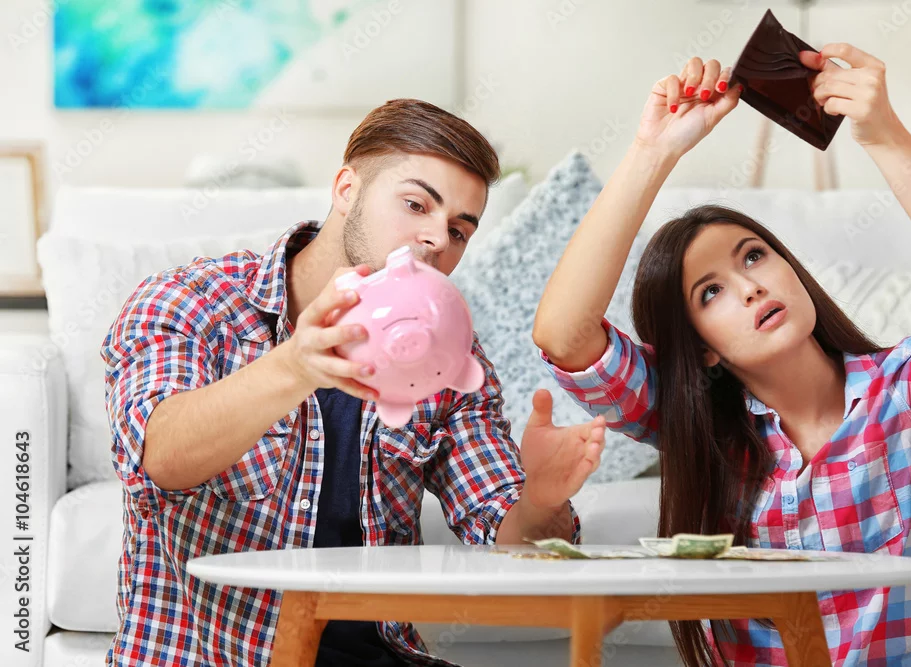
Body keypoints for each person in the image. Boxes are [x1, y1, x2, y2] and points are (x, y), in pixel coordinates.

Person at [533, 46, 911, 666]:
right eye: (711, 292)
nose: (750, 286)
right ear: (702, 350)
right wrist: (653, 152)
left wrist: (884, 137)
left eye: (753, 256)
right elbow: (565, 337)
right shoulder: (697, 425)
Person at [102, 98, 607, 667]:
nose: (438, 239)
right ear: (347, 189)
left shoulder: (447, 361)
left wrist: (541, 499)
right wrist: (294, 366)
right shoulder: (191, 302)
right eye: (416, 204)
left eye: (459, 230)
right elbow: (159, 457)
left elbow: (510, 541)